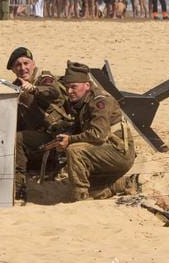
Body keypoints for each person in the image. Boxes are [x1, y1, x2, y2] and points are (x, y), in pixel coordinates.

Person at [49, 62, 137, 201]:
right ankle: (122, 184)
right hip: (105, 151)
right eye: (67, 87)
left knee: (74, 150)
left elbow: (98, 134)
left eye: (73, 87)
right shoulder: (83, 101)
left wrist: (70, 140)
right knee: (88, 187)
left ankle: (79, 196)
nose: (69, 91)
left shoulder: (99, 101)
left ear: (87, 85)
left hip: (119, 152)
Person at [9, 47, 72, 198]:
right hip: (38, 139)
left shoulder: (44, 79)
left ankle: (19, 187)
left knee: (17, 139)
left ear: (33, 64)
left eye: (26, 63)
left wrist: (34, 89)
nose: (23, 68)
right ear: (13, 69)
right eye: (18, 65)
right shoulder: (14, 88)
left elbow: (53, 92)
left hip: (55, 135)